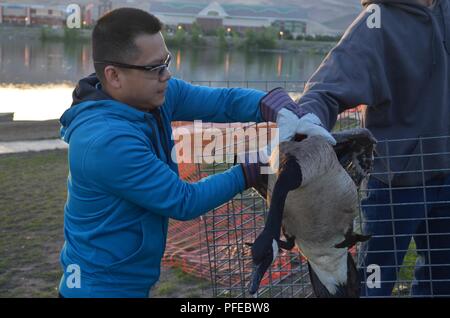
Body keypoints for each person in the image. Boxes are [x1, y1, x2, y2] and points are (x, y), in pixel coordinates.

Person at [58, 8, 334, 298]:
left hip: (129, 283)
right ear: (114, 76)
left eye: (165, 62)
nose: (167, 74)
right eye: (154, 69)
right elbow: (183, 201)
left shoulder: (154, 97)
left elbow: (223, 103)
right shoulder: (105, 142)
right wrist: (255, 166)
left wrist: (275, 105)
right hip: (98, 290)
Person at [295, 0, 450, 296]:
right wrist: (304, 128)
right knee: (374, 284)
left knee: (442, 282)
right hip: (395, 183)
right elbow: (326, 88)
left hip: (447, 175)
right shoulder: (378, 20)